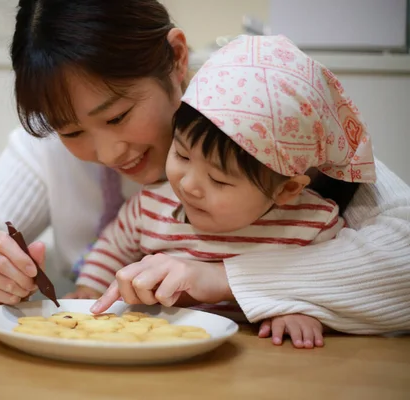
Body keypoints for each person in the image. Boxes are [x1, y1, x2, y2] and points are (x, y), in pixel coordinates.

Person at [0, 0, 410, 341]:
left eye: (117, 116)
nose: (110, 151)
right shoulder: (50, 153)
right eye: (71, 131)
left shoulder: (266, 126)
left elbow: (402, 253)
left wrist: (220, 278)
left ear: (176, 58)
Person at [71, 35, 375, 348]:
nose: (188, 185)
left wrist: (303, 310)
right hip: (159, 346)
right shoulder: (152, 205)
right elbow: (112, 246)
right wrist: (89, 287)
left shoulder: (312, 223)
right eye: (182, 155)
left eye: (218, 179)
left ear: (286, 189)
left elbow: (334, 282)